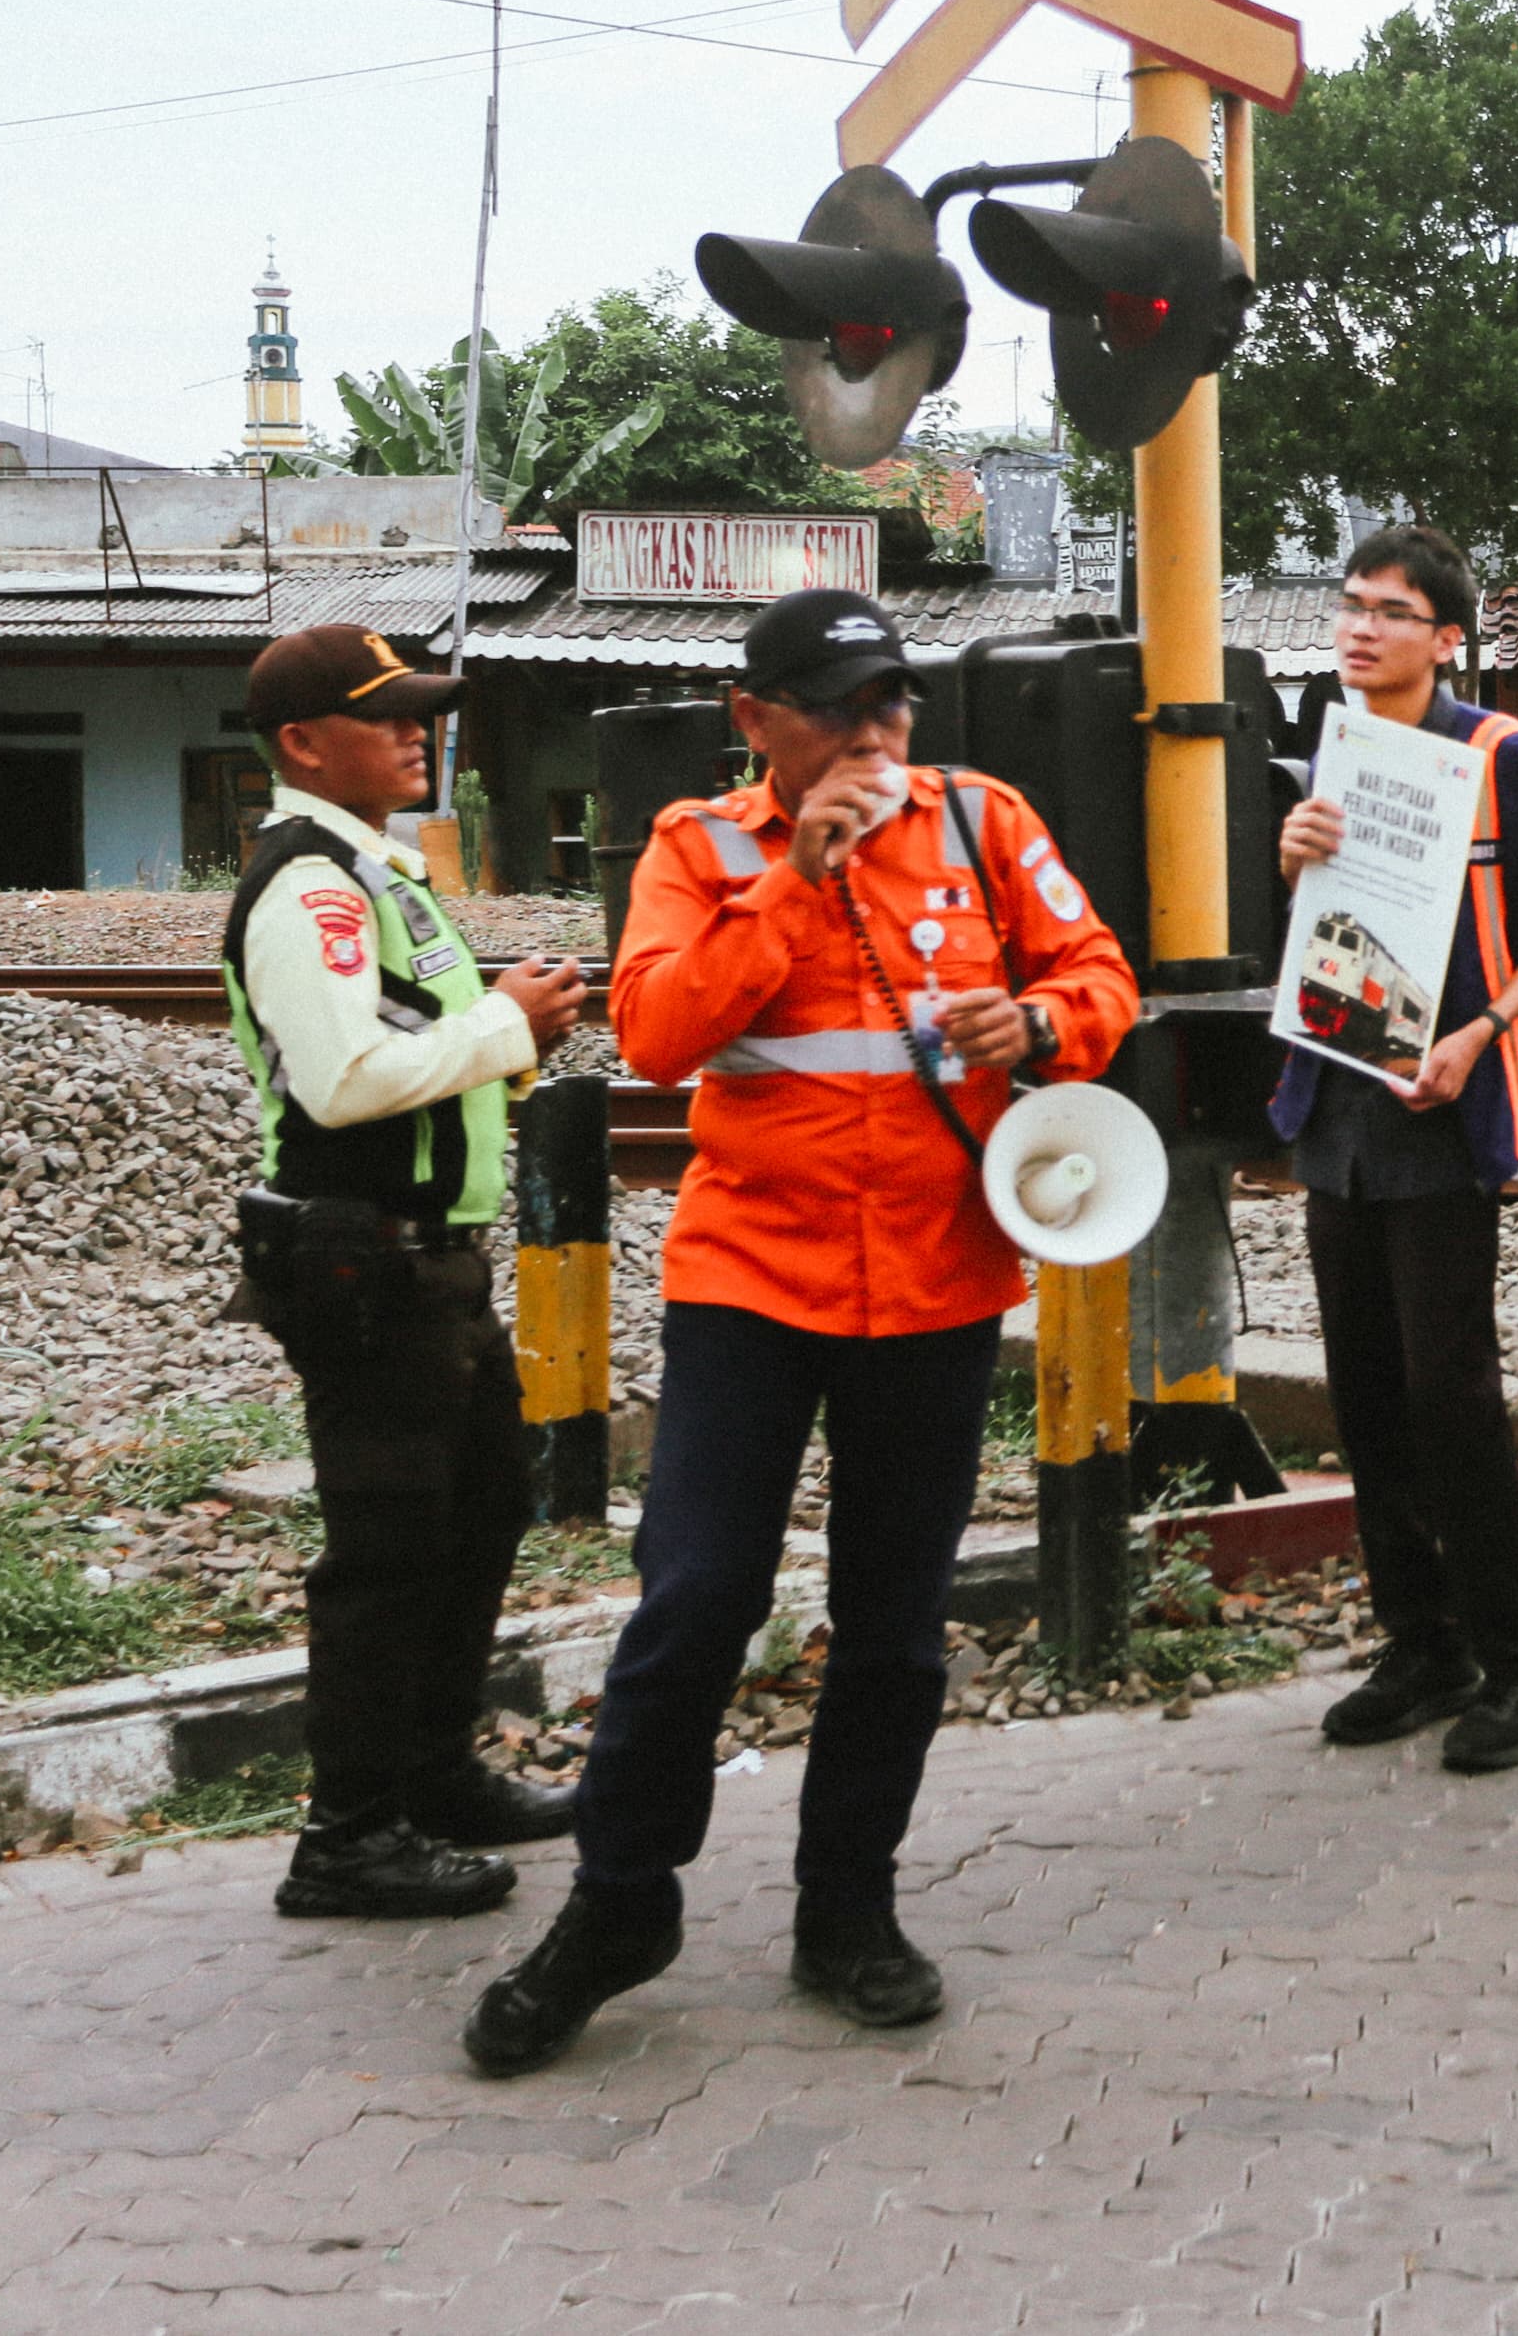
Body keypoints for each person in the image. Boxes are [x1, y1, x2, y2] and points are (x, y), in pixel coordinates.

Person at [462, 587, 1138, 2077]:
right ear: (756, 722)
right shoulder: (698, 848)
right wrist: (795, 883)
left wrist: (1036, 1026)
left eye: (893, 702)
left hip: (938, 1281)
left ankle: (849, 1910)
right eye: (841, 709)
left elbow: (1102, 977)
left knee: (893, 1625)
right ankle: (621, 1903)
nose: (876, 735)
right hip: (751, 1284)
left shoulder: (983, 821)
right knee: (695, 1598)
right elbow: (653, 1031)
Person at [218, 625, 591, 1920]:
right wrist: (508, 1023)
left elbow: (408, 1033)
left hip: (434, 1268)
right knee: (385, 1552)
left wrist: (498, 1022)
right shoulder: (310, 885)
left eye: (422, 709)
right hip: (362, 1267)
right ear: (303, 745)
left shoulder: (380, 874)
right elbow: (343, 1077)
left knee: (476, 1516)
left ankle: (434, 1775)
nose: (418, 730)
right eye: (388, 714)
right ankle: (348, 1835)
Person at [1272, 523, 1518, 1774]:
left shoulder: (1500, 757)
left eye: (1390, 611)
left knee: (1448, 1393)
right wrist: (1289, 857)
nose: (1360, 627)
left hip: (1442, 1112)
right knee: (1363, 1392)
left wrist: (1475, 1035)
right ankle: (1422, 1641)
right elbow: (1317, 932)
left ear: (1445, 636)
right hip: (1338, 1112)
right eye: (1350, 605)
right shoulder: (1335, 753)